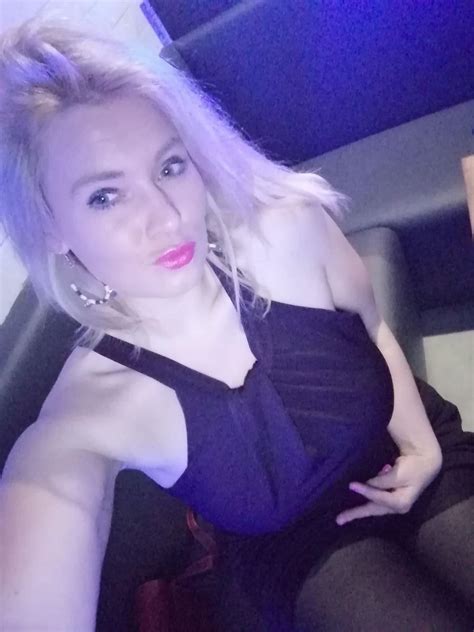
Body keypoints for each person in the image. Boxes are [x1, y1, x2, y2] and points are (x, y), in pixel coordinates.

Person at [0, 17, 472, 632]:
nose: (167, 218)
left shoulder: (288, 229)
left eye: (170, 166)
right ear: (51, 227)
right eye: (104, 196)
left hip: (406, 444)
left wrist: (420, 446)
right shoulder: (84, 421)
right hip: (299, 548)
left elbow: (373, 327)